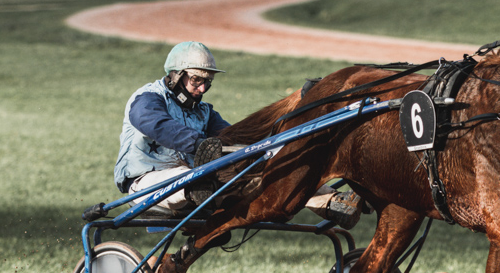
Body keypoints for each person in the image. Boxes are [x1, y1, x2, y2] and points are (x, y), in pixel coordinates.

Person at [113, 41, 362, 241]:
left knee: (275, 174)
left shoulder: (204, 112)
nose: (201, 88)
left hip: (199, 184)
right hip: (146, 183)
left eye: (206, 82)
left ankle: (335, 202)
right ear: (176, 76)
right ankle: (200, 190)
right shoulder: (147, 99)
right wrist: (200, 145)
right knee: (196, 177)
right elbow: (157, 125)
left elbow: (235, 137)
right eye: (196, 80)